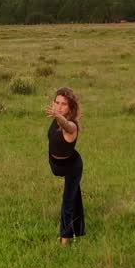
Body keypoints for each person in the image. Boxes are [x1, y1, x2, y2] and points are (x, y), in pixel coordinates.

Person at [45, 87, 85, 245]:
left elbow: (66, 125)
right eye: (57, 103)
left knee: (68, 201)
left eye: (64, 104)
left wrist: (57, 115)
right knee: (75, 197)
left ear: (70, 107)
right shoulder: (55, 118)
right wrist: (56, 115)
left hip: (71, 167)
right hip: (56, 165)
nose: (59, 107)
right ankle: (78, 227)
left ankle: (64, 240)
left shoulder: (72, 126)